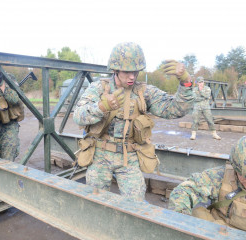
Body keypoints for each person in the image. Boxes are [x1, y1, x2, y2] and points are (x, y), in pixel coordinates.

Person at [73, 42, 194, 201]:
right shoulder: (99, 88)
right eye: (127, 72)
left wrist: (185, 81)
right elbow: (78, 115)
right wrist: (102, 107)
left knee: (136, 204)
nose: (132, 76)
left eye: (135, 72)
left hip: (129, 156)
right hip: (100, 155)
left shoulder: (144, 92)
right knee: (95, 202)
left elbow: (176, 109)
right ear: (115, 70)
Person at [169, 136, 246, 231]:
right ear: (235, 168)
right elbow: (184, 190)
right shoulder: (221, 177)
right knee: (198, 213)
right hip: (219, 230)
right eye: (243, 176)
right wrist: (182, 220)